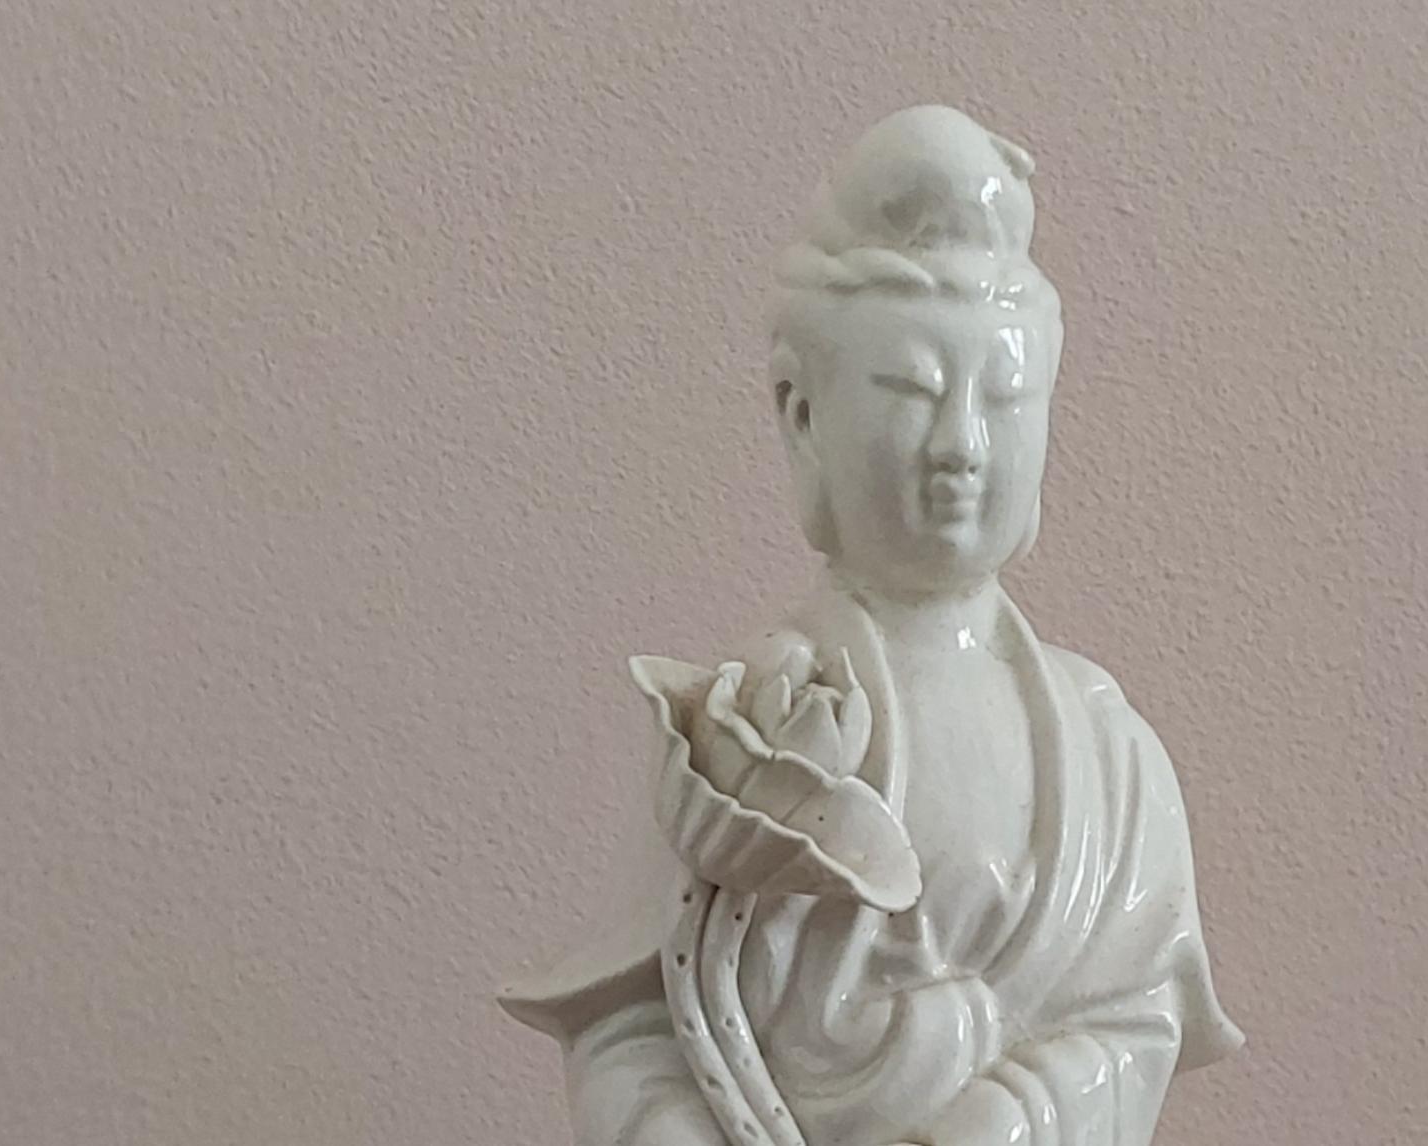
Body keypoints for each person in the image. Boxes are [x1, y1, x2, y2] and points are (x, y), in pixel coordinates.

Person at [501, 105, 1241, 1146]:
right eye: (912, 392)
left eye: (1005, 397)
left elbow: (1133, 1021)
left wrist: (1011, 1116)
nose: (962, 446)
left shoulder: (1109, 759)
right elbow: (630, 1030)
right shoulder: (743, 732)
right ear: (802, 414)